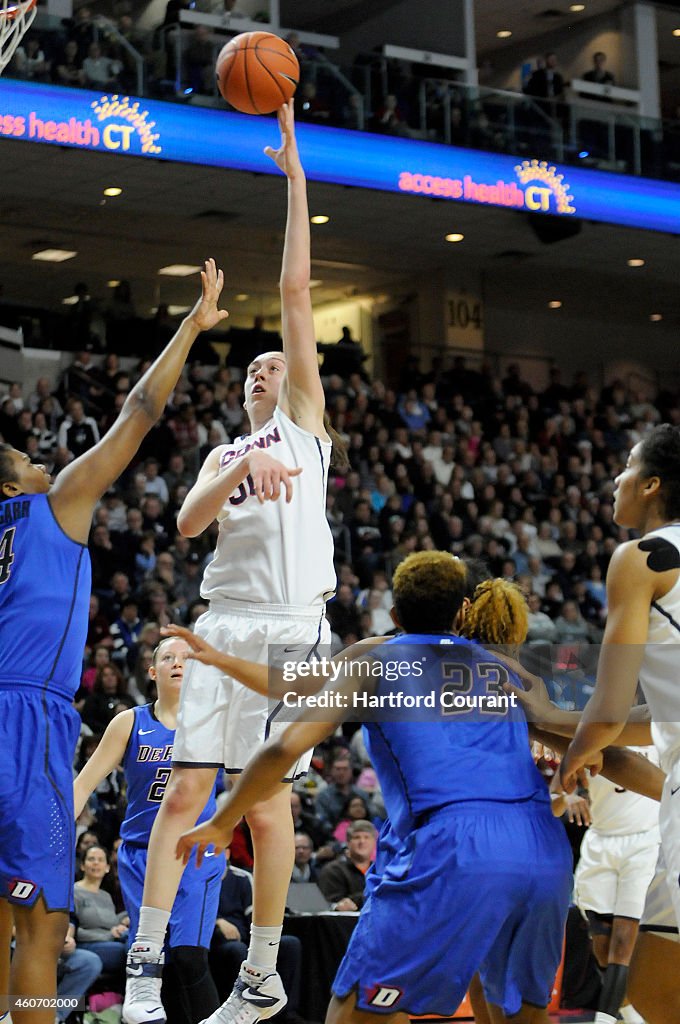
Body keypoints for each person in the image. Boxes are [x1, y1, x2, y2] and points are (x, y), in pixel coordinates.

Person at [123, 101, 345, 1024]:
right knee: (186, 789)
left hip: (297, 629)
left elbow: (295, 293)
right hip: (222, 626)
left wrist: (294, 176)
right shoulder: (226, 454)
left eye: (272, 367)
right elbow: (183, 525)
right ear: (238, 392)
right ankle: (140, 973)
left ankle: (260, 976)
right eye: (250, 371)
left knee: (268, 809)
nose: (263, 373)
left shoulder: (307, 431)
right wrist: (240, 466)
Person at [170, 550, 574, 1023]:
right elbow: (584, 736)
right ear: (463, 610)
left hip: (453, 846)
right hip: (543, 850)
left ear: (394, 615)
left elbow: (286, 726)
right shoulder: (504, 669)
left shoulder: (376, 657)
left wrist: (223, 819)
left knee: (356, 1012)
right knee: (514, 1014)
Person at [0, 258, 228, 1024]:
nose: (43, 463)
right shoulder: (54, 505)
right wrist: (191, 327)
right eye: (29, 461)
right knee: (42, 921)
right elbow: (138, 408)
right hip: (26, 719)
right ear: (11, 485)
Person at [556, 424, 680, 1024]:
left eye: (627, 467)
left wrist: (571, 756)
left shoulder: (640, 557)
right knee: (657, 986)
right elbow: (656, 715)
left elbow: (606, 711)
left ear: (653, 484)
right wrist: (575, 729)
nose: (616, 479)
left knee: (659, 990)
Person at [74, 636, 225, 1024]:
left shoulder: (215, 721)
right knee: (151, 964)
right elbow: (84, 784)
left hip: (195, 851)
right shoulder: (130, 722)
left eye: (187, 658)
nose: (178, 663)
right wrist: (53, 833)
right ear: (152, 671)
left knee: (191, 956)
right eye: (168, 658)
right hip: (142, 853)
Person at [573, 747, 660, 1024]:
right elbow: (561, 781)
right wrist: (568, 795)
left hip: (645, 840)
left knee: (623, 943)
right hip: (600, 840)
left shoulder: (657, 730)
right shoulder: (590, 732)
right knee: (602, 948)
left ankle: (605, 1020)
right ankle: (631, 1014)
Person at [73, 846, 129, 989]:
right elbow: (73, 931)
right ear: (82, 865)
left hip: (111, 941)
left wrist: (122, 922)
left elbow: (110, 922)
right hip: (86, 944)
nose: (96, 863)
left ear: (107, 867)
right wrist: (109, 935)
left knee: (132, 940)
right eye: (91, 859)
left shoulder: (106, 896)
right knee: (131, 954)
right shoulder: (74, 892)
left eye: (100, 860)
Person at [318, 821, 376, 911]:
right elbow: (332, 904)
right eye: (357, 837)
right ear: (348, 843)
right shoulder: (333, 870)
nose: (362, 841)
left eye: (367, 837)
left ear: (374, 842)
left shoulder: (381, 871)